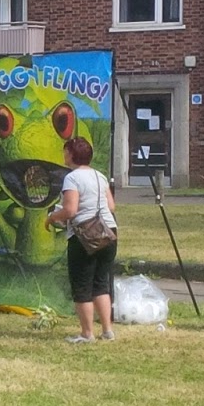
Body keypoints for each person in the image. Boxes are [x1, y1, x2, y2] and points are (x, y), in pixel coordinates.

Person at [44, 136, 119, 344]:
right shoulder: (99, 176)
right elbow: (111, 206)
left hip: (85, 237)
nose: (64, 155)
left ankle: (87, 333)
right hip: (108, 232)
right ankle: (107, 331)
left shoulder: (72, 178)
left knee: (82, 285)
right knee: (101, 284)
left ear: (71, 154)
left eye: (65, 151)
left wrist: (52, 217)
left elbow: (70, 210)